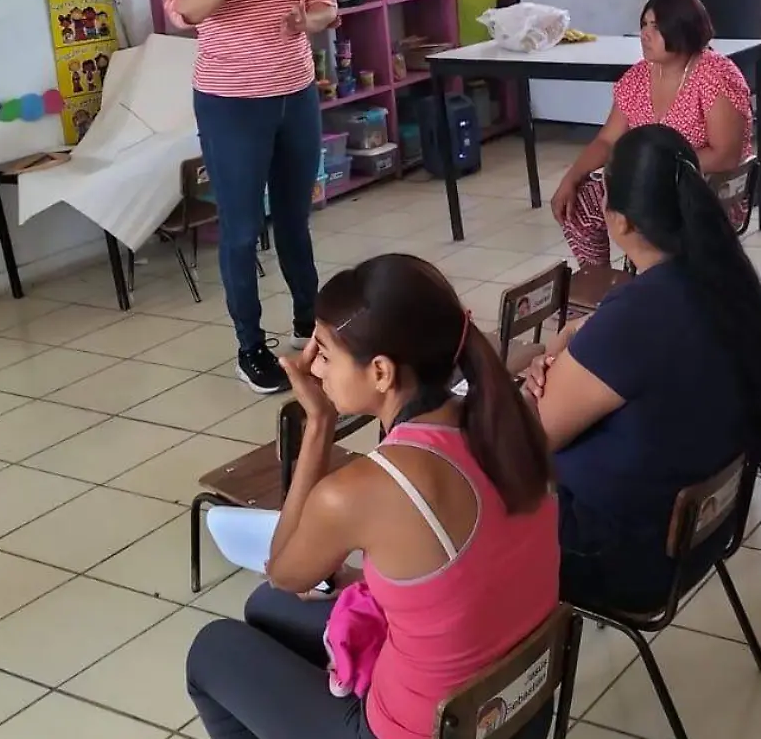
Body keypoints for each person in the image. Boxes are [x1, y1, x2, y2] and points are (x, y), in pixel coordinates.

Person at [184, 255, 559, 739]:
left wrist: (318, 424)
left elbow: (284, 569)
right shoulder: (505, 421)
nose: (312, 366)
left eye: (324, 352)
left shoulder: (366, 489)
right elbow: (468, 566)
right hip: (520, 711)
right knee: (264, 611)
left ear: (380, 372)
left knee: (211, 650)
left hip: (415, 730)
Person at [519, 125, 761, 612]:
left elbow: (525, 441)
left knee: (477, 489)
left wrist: (533, 383)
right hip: (703, 531)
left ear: (618, 221)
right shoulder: (723, 281)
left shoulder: (636, 318)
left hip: (624, 558)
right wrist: (569, 340)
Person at [160, 0, 338, 394]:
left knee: (295, 219)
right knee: (240, 229)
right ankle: (249, 346)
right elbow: (183, 12)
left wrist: (307, 20)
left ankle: (311, 326)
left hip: (295, 91)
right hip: (232, 101)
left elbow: (324, 3)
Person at [549, 0, 753, 266]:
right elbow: (608, 141)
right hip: (648, 183)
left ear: (682, 29)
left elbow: (725, 155)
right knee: (578, 205)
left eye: (656, 27)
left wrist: (653, 171)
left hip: (706, 189)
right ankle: (602, 288)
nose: (645, 34)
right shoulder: (638, 76)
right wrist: (572, 177)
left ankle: (655, 288)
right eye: (644, 25)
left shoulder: (715, 74)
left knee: (646, 216)